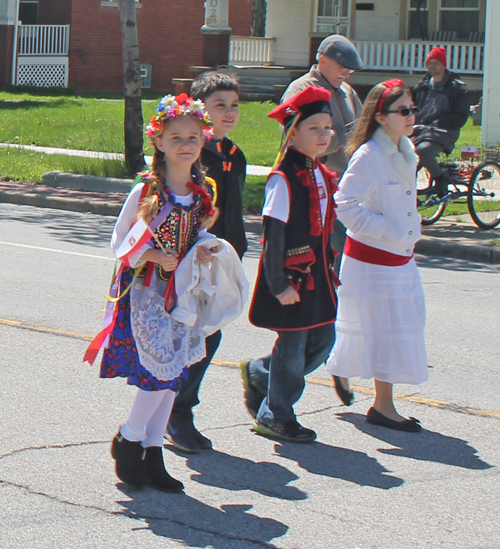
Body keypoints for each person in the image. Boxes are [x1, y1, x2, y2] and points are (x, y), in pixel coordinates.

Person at [84, 93, 247, 491]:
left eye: (193, 136)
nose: (186, 144)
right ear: (159, 141)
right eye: (176, 137)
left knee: (173, 374)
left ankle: (152, 449)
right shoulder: (148, 190)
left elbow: (196, 234)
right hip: (146, 290)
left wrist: (204, 249)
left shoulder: (202, 189)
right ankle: (130, 436)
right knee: (159, 371)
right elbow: (120, 241)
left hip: (183, 292)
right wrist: (154, 254)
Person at [325, 79, 428, 432]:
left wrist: (408, 227)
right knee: (385, 331)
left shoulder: (406, 150)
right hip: (372, 260)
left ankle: (339, 367)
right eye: (403, 111)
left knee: (401, 325)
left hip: (401, 258)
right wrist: (387, 229)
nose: (411, 116)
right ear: (382, 118)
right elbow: (344, 204)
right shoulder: (369, 156)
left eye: (412, 109)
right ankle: (383, 406)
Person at [241, 86, 339, 443]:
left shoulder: (319, 172)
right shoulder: (283, 177)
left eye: (328, 127)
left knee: (323, 341)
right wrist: (278, 283)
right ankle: (275, 414)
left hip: (320, 277)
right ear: (293, 132)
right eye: (315, 128)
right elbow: (273, 237)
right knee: (293, 348)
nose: (325, 134)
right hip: (292, 279)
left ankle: (260, 373)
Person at [166, 72, 248, 453]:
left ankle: (178, 410)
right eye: (220, 106)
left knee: (210, 336)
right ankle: (173, 413)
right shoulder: (194, 155)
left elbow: (232, 211)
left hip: (220, 258)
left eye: (233, 105)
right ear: (201, 111)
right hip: (189, 257)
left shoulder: (234, 155)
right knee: (190, 336)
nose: (229, 113)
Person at [282, 34, 363, 406]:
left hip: (347, 193)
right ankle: (275, 384)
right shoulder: (302, 89)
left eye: (349, 67)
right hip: (314, 195)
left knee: (336, 290)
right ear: (321, 58)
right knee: (320, 292)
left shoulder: (346, 92)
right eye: (340, 63)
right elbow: (292, 137)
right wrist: (342, 135)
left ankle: (274, 378)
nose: (345, 71)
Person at [412, 46, 470, 197]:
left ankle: (440, 179)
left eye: (436, 62)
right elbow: (413, 107)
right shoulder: (422, 85)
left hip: (444, 132)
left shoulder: (456, 87)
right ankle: (407, 192)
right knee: (405, 157)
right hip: (421, 130)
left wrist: (440, 122)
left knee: (423, 151)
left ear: (444, 64)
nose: (432, 66)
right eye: (429, 62)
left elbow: (461, 116)